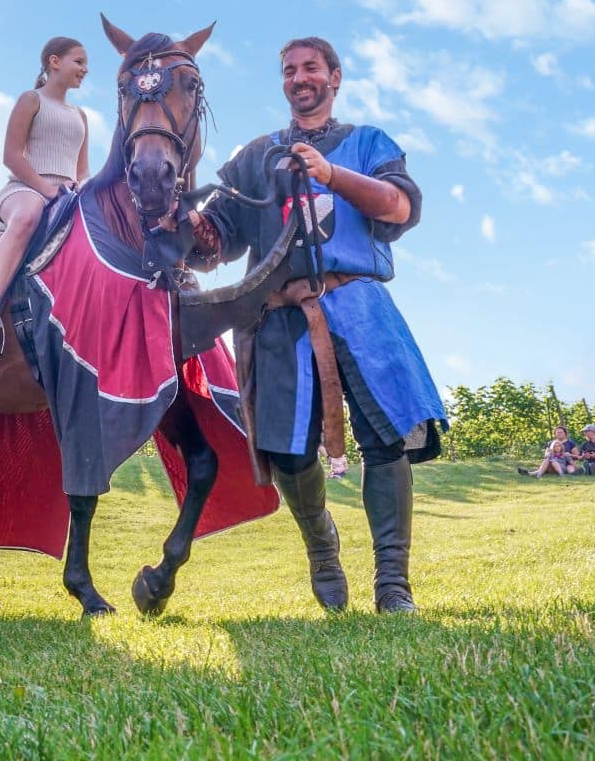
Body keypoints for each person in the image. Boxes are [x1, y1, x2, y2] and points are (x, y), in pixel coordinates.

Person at [188, 36, 445, 614]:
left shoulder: (369, 143)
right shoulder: (254, 157)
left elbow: (398, 207)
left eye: (310, 68)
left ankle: (392, 583)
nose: (299, 78)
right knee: (288, 451)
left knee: (386, 440)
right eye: (289, 71)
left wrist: (330, 173)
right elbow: (218, 238)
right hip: (278, 318)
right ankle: (323, 550)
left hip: (358, 306)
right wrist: (183, 221)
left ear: (335, 76)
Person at [0, 37, 90, 358]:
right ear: (54, 62)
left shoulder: (81, 116)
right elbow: (11, 156)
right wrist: (47, 190)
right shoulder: (31, 100)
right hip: (24, 189)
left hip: (66, 196)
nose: (85, 69)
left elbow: (83, 170)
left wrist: (79, 187)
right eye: (79, 61)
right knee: (27, 216)